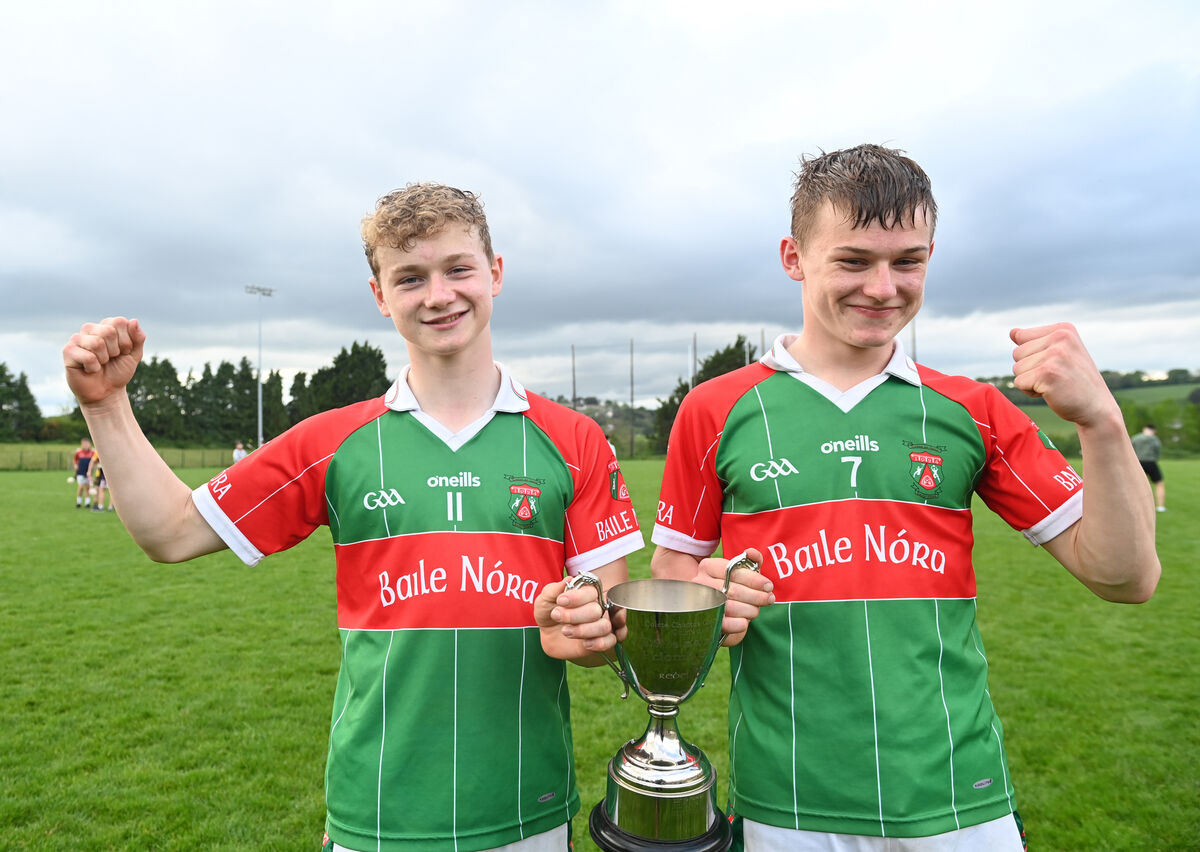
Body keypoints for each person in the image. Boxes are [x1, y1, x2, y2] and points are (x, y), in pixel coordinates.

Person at [63, 183, 649, 852]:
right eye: (410, 277)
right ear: (380, 295)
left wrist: (589, 630)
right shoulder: (331, 442)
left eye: (457, 268)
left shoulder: (573, 440)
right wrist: (107, 408)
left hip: (526, 809)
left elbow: (608, 627)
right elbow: (170, 530)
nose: (438, 294)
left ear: (496, 273)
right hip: (377, 812)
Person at [650, 144, 1160, 851]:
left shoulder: (972, 408)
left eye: (908, 261)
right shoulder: (716, 410)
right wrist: (709, 600)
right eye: (854, 260)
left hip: (958, 798)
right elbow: (672, 583)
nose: (885, 288)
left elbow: (1126, 576)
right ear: (794, 258)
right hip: (786, 800)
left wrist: (1101, 422)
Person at [1131, 424, 1166, 511]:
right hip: (1151, 462)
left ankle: (1138, 505)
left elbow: (1131, 449)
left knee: (1139, 485)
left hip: (1138, 463)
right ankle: (1161, 506)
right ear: (1154, 431)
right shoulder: (1154, 439)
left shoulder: (1136, 438)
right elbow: (1157, 451)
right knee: (1159, 484)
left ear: (1144, 429)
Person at [72, 437, 95, 508]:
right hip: (80, 472)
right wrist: (75, 465)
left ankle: (87, 503)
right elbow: (75, 460)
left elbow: (95, 461)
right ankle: (78, 502)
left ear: (89, 444)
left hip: (88, 473)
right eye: (83, 444)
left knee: (88, 488)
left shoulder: (92, 453)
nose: (85, 445)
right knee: (81, 487)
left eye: (86, 444)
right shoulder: (79, 452)